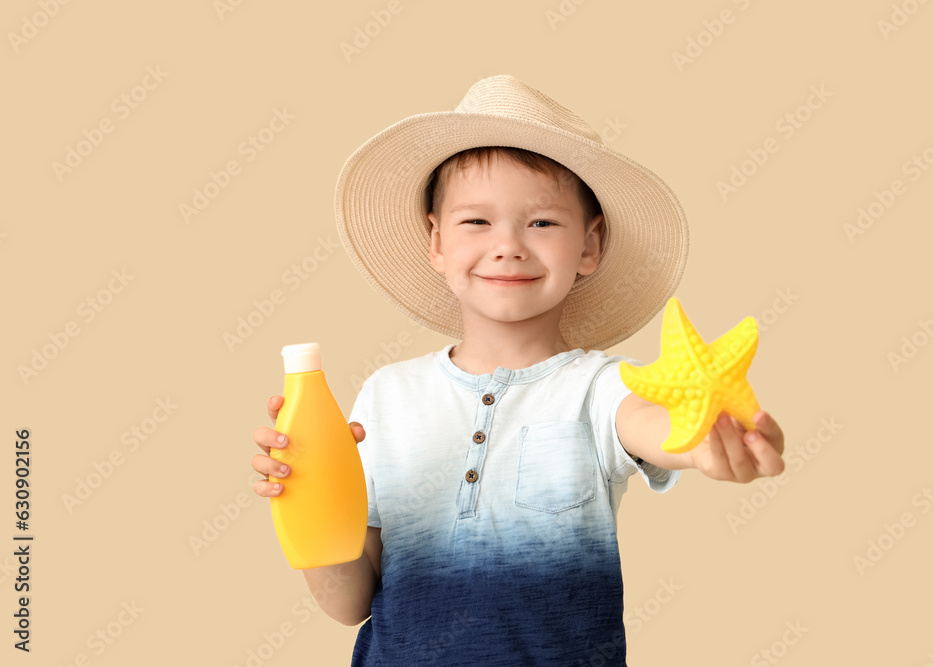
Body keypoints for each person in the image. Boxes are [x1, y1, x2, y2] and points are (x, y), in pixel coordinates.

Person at [250, 75, 785, 665]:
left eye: (541, 223)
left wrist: (708, 445)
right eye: (476, 222)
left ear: (590, 244)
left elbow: (654, 425)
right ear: (436, 241)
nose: (507, 245)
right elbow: (349, 602)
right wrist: (307, 497)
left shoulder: (600, 388)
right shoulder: (387, 397)